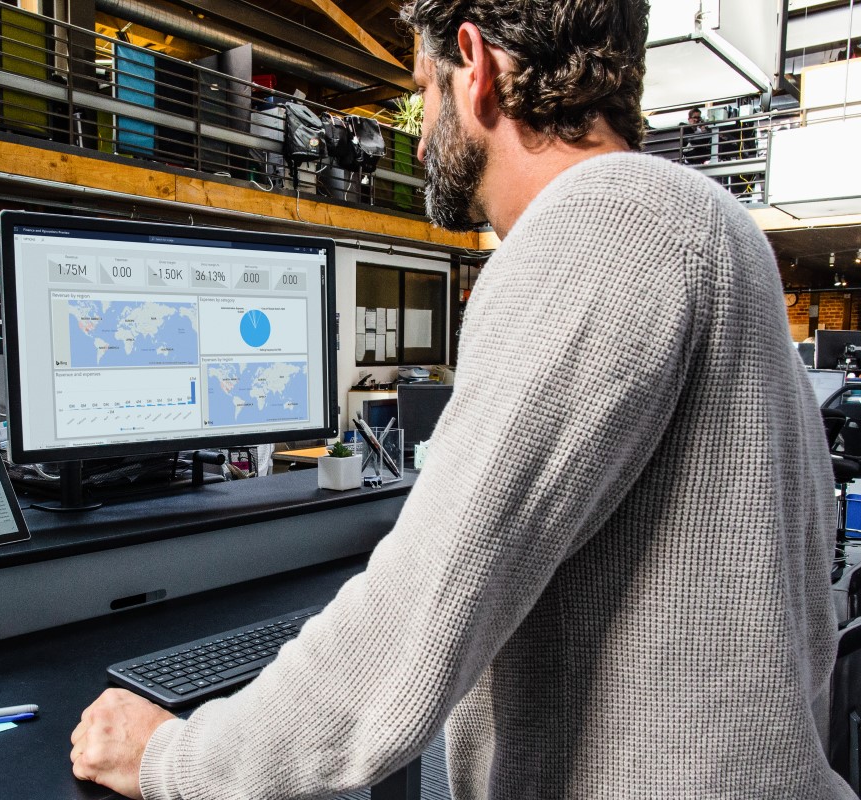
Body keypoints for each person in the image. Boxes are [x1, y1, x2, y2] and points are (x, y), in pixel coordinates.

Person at [70, 1, 851, 797]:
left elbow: (418, 619)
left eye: (422, 90)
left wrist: (171, 758)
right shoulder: (716, 224)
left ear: (475, 66)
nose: (416, 133)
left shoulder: (604, 224)